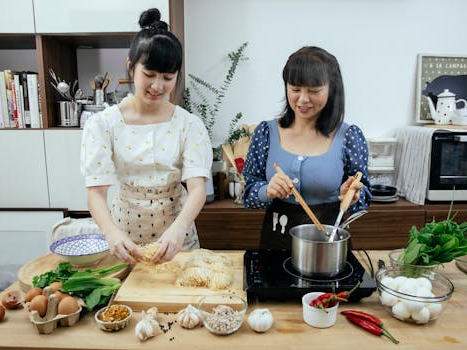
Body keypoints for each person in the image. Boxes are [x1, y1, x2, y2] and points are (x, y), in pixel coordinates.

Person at [80, 8, 212, 264]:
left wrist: (179, 228)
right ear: (131, 68)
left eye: (168, 77)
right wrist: (110, 232)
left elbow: (197, 188)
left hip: (177, 237)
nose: (158, 86)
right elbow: (96, 192)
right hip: (124, 237)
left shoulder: (189, 124)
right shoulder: (104, 124)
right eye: (149, 75)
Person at [243, 46, 371, 249]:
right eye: (295, 89)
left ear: (332, 88)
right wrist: (267, 190)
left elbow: (364, 199)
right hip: (275, 245)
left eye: (314, 91)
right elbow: (247, 195)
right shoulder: (266, 133)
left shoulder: (350, 137)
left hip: (327, 248)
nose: (303, 99)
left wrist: (353, 195)